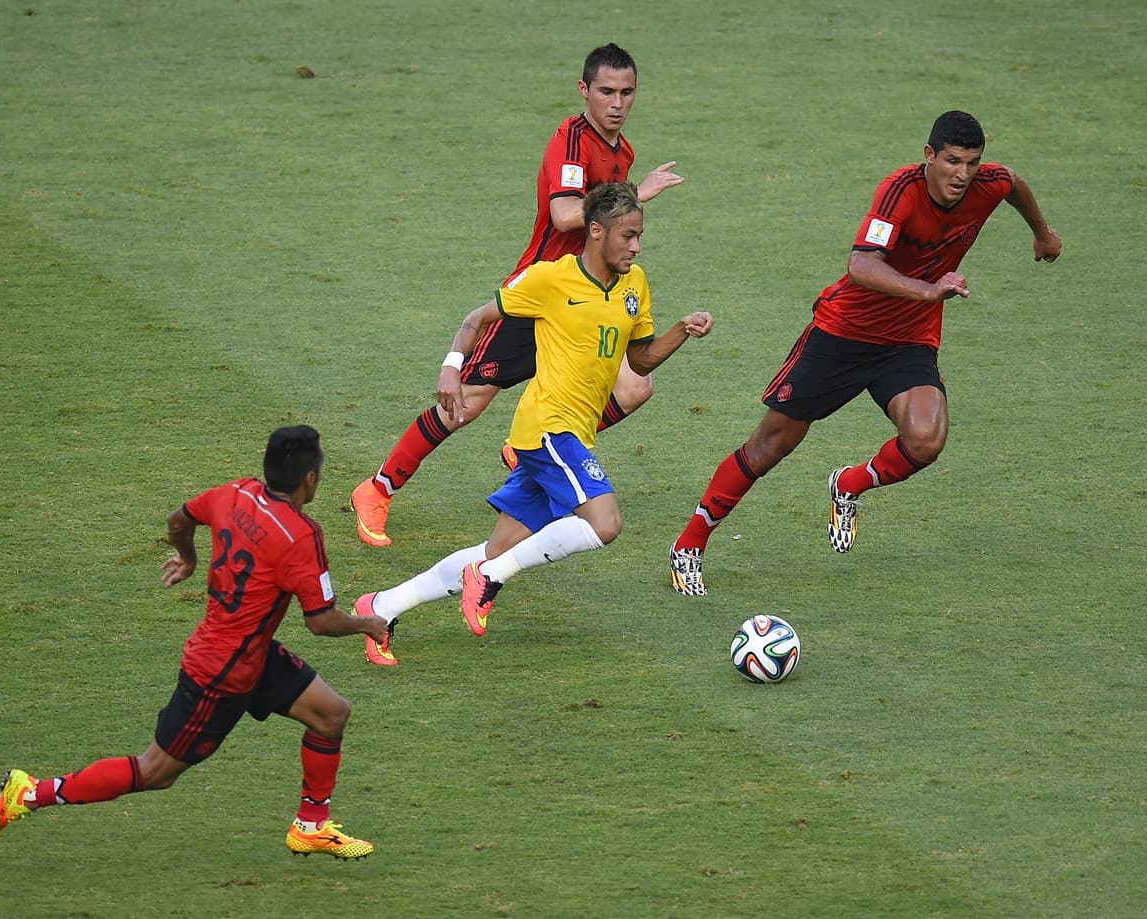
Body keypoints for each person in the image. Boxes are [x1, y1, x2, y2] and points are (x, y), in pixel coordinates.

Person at [667, 110, 1063, 597]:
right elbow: (861, 265)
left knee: (926, 440)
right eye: (953, 161)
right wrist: (928, 290)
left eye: (972, 163)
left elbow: (1013, 183)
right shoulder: (900, 192)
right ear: (929, 156)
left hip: (908, 341)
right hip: (844, 334)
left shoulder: (988, 182)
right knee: (770, 445)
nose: (963, 174)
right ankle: (689, 543)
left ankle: (849, 484)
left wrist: (1042, 231)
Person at [0, 426, 391, 859]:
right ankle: (31, 793)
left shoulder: (235, 493)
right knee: (155, 771)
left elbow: (178, 520)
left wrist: (188, 558)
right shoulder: (300, 535)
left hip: (251, 655)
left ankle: (311, 826)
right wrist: (365, 623)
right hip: (220, 676)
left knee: (331, 714)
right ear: (310, 478)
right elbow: (320, 621)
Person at [353, 182, 712, 665]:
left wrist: (681, 331)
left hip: (575, 433)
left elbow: (640, 360)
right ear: (596, 231)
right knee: (605, 524)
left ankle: (381, 607)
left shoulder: (635, 285)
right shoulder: (551, 279)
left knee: (495, 550)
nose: (636, 247)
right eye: (627, 236)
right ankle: (492, 578)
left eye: (639, 236)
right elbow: (477, 317)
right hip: (547, 429)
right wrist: (451, 366)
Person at [350, 42, 685, 548]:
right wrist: (640, 193)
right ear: (584, 90)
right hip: (538, 296)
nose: (617, 103)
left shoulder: (624, 152)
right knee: (465, 404)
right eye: (606, 91)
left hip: (587, 301)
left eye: (626, 92)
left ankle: (528, 450)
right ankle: (377, 488)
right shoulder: (571, 142)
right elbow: (565, 215)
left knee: (636, 386)